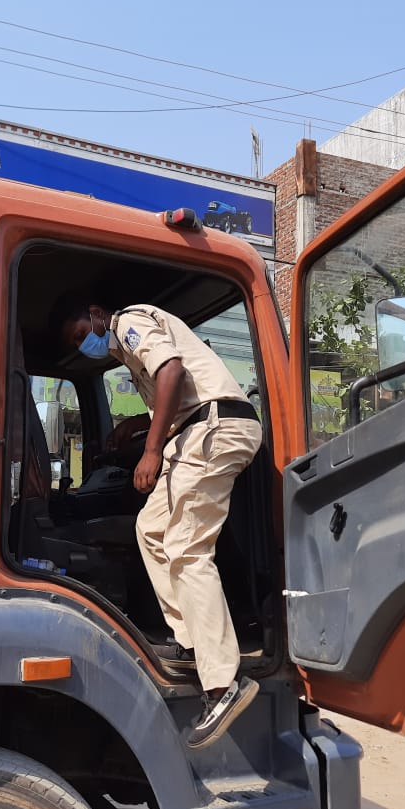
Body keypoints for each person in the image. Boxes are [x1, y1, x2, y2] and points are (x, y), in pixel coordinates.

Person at [55, 298, 262, 750]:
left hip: (215, 429)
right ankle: (189, 641)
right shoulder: (128, 355)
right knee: (150, 530)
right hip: (194, 431)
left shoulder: (127, 321)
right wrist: (134, 429)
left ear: (95, 313)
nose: (84, 344)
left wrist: (151, 451)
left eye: (81, 334)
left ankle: (224, 683)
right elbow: (168, 395)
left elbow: (171, 373)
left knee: (187, 548)